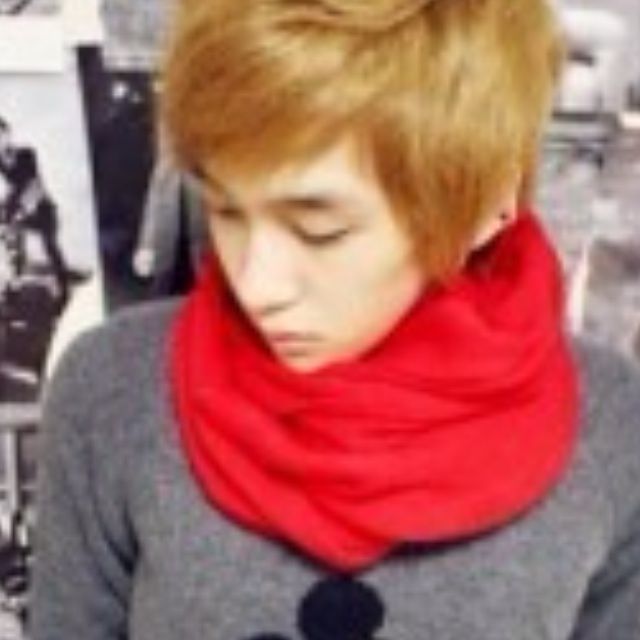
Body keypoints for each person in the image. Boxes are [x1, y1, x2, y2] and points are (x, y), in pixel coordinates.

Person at [28, 0, 640, 639]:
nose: (256, 284)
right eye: (225, 210)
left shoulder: (611, 426)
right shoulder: (114, 395)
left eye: (320, 231)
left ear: (485, 204)